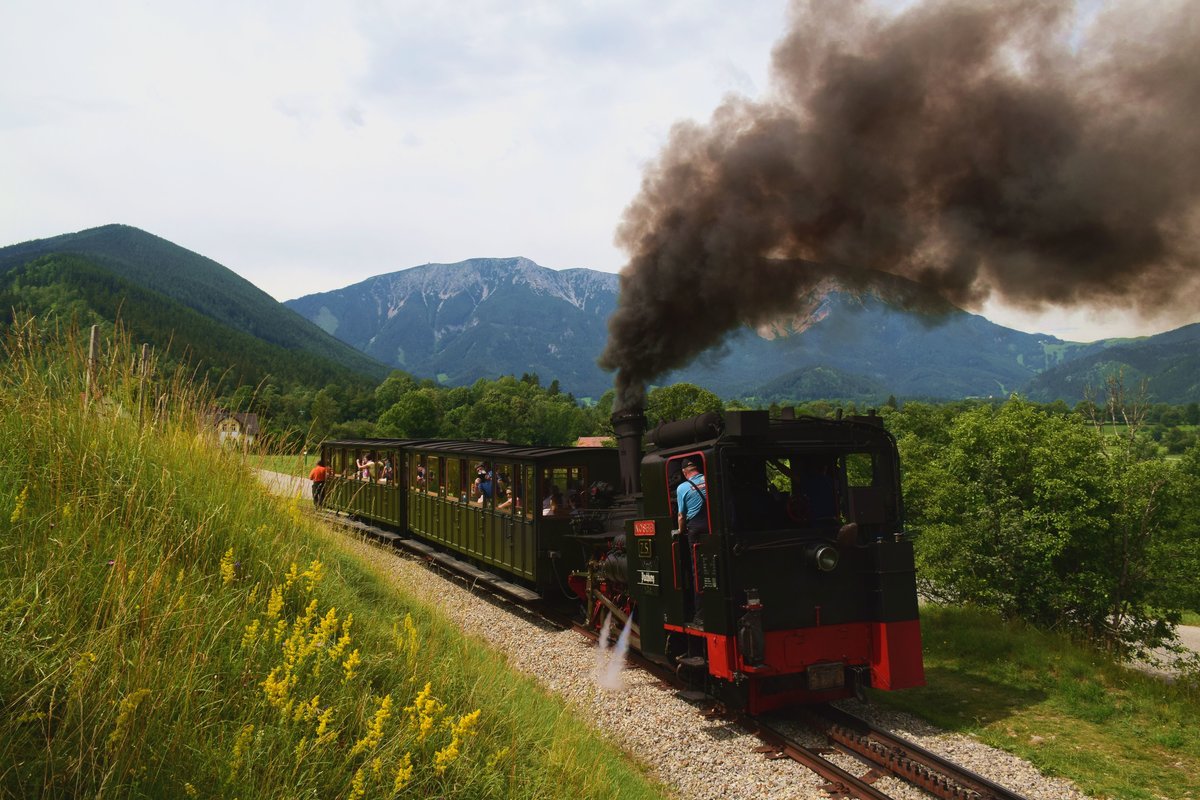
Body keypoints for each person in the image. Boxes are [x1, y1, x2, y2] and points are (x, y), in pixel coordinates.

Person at [676, 458, 708, 626]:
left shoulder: (682, 487)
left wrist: (680, 531)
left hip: (695, 529)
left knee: (698, 571)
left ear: (684, 472)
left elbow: (681, 515)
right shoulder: (708, 480)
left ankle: (700, 614)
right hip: (712, 526)